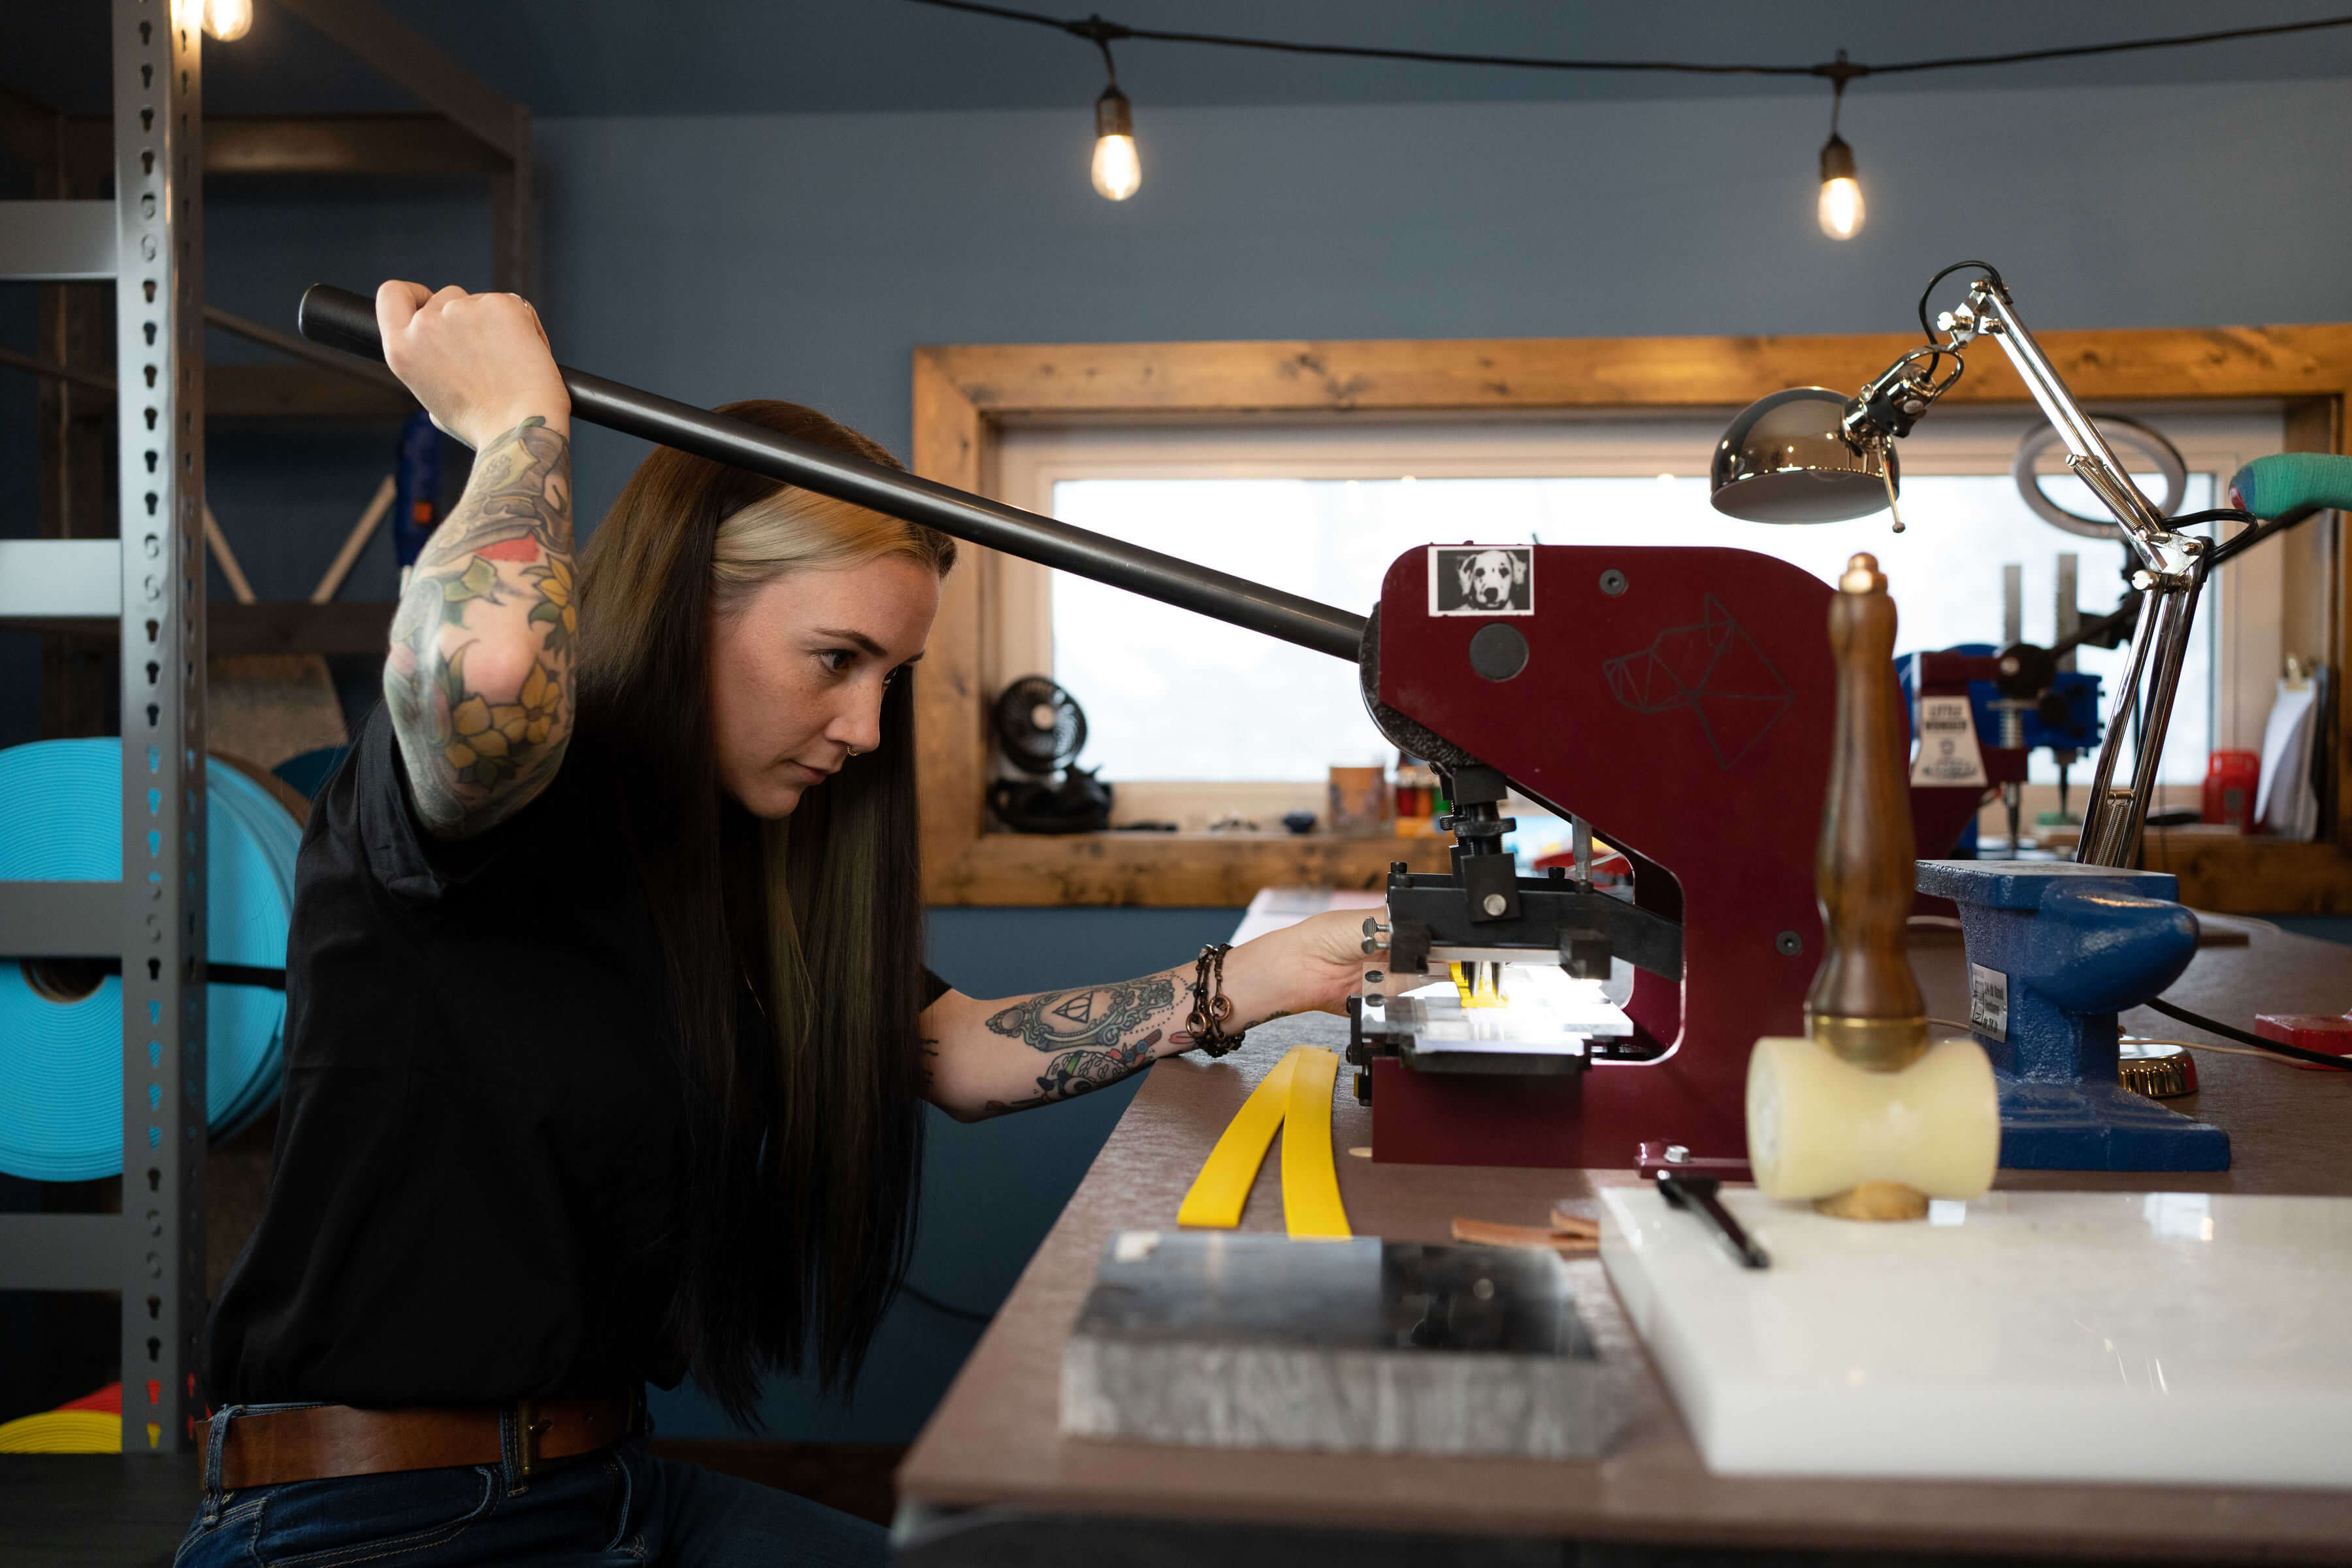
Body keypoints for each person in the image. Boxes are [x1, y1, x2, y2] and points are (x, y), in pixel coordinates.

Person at [175, 283, 1379, 1568]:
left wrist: (1261, 977)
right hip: (371, 1523)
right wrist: (518, 419)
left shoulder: (724, 872)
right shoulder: (483, 815)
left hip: (609, 1488)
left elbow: (953, 1053)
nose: (866, 731)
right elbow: (490, 678)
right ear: (691, 605)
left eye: (890, 679)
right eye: (834, 659)